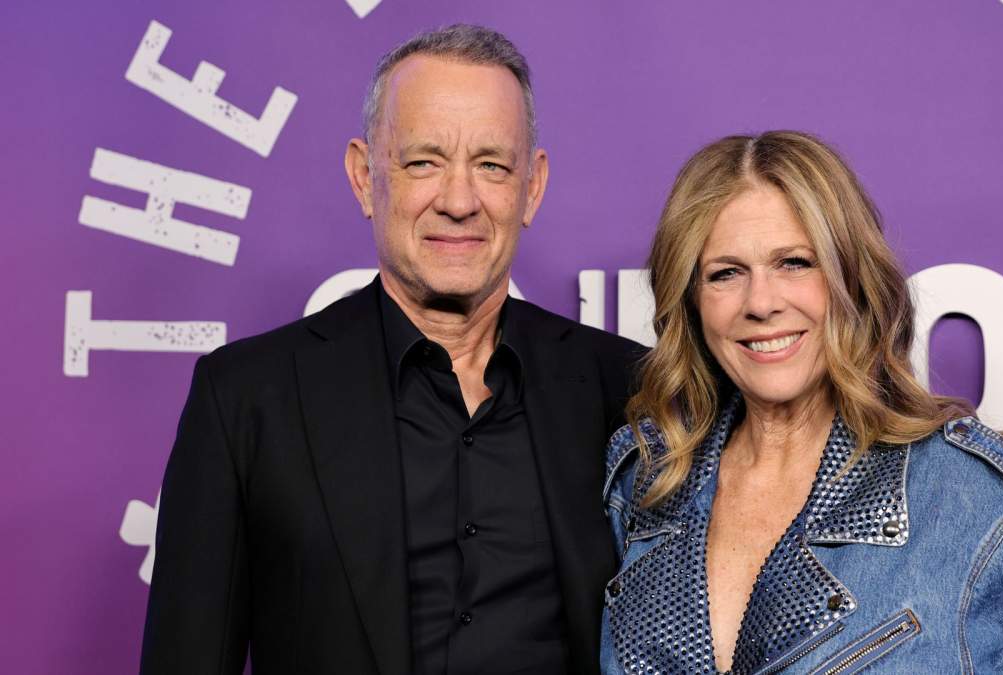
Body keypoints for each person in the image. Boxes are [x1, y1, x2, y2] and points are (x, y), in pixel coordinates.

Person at [140, 25, 642, 675]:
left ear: (532, 186)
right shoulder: (246, 397)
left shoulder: (628, 389)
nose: (458, 201)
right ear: (363, 175)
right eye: (423, 162)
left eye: (491, 165)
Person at [600, 131, 1003, 674]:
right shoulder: (646, 477)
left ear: (853, 281)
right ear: (691, 300)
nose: (761, 302)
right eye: (726, 273)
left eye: (795, 263)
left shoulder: (962, 494)